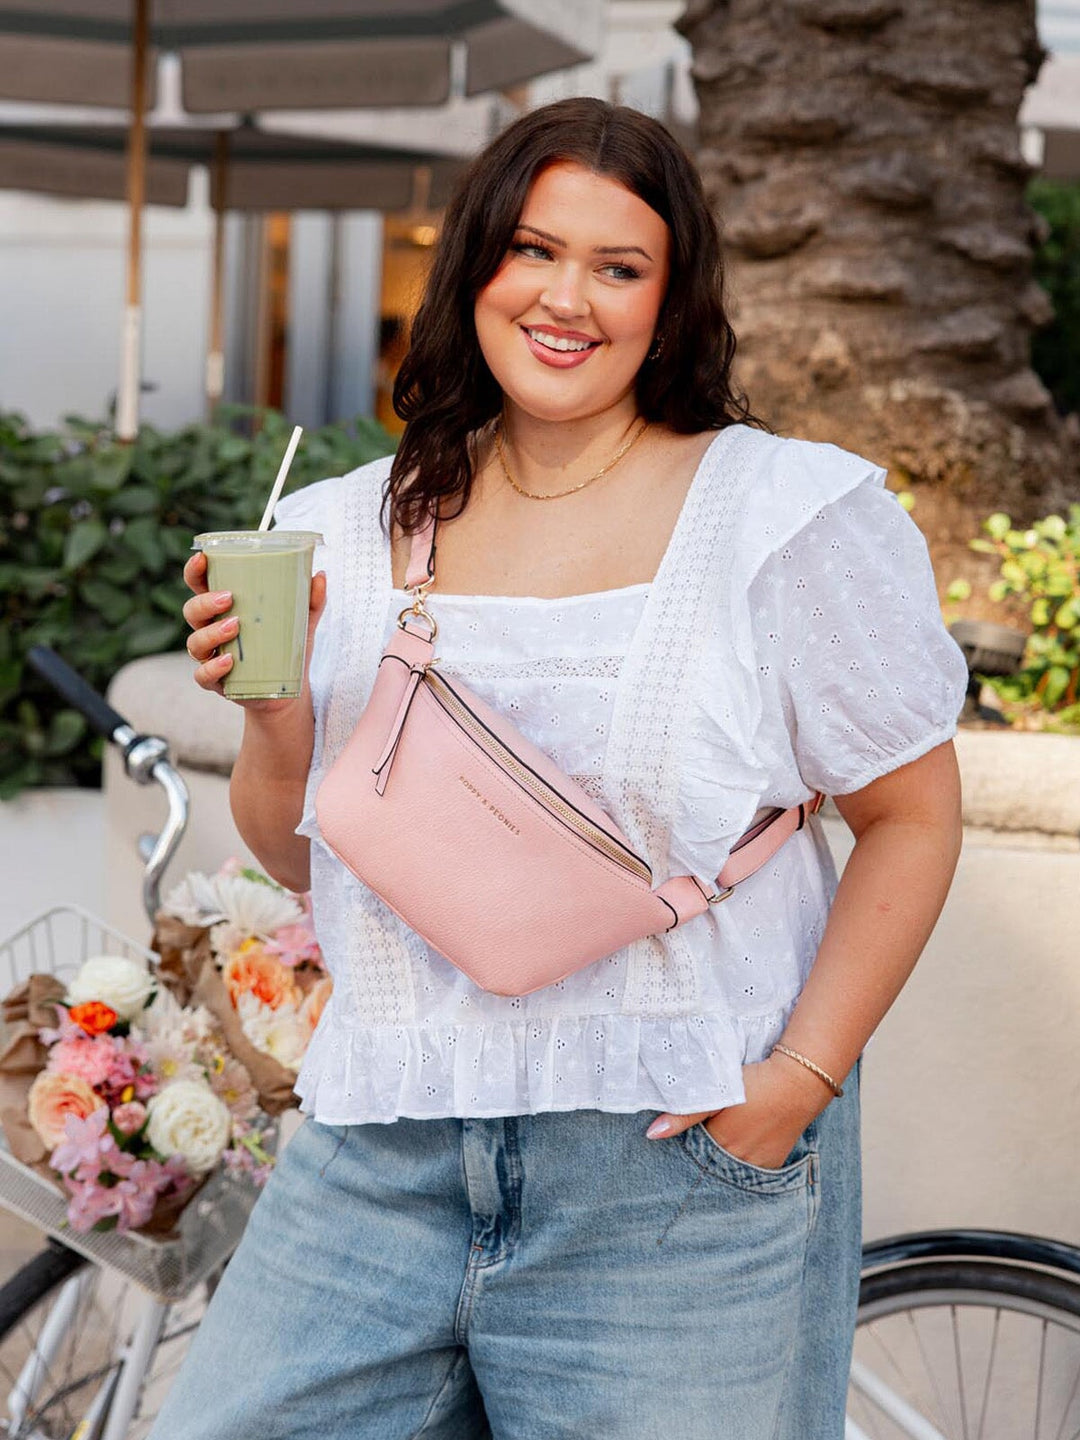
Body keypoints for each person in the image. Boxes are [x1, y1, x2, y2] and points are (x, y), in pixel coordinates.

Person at [156, 97, 967, 1440]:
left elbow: (914, 817)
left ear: (672, 300)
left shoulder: (782, 516)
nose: (565, 298)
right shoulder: (336, 528)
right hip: (381, 1151)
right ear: (475, 263)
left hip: (672, 1170)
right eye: (533, 249)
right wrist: (275, 711)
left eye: (618, 266)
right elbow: (304, 856)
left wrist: (797, 1085)